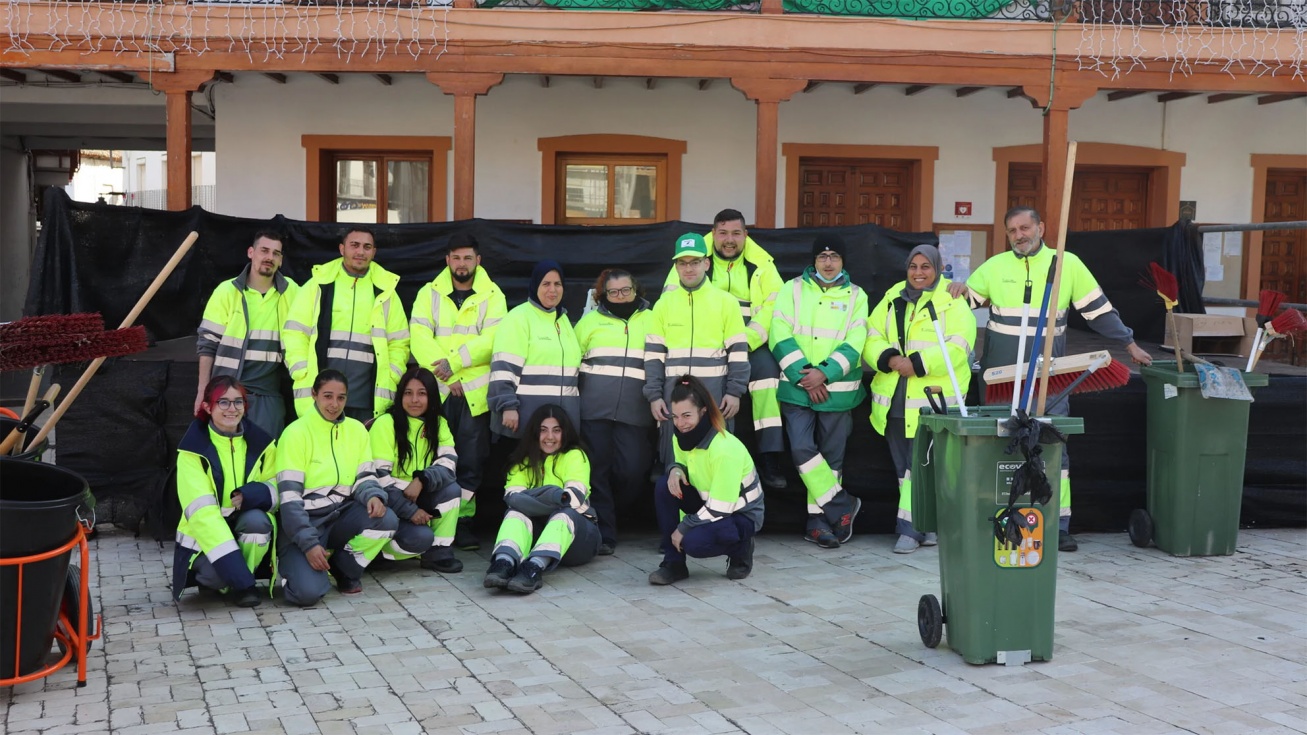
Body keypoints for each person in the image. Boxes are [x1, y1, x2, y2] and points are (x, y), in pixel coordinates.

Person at [947, 206, 1153, 552]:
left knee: (1053, 449)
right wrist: (953, 289)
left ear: (1040, 228)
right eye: (1012, 230)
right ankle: (1001, 518)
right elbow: (964, 302)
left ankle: (1056, 524)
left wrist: (1128, 343)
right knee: (1000, 447)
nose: (1019, 235)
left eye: (1025, 228)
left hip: (1048, 377)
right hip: (1001, 379)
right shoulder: (995, 267)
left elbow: (1099, 311)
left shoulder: (1066, 264)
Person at [665, 209, 788, 488]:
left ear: (746, 235)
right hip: (705, 343)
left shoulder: (763, 265)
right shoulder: (693, 258)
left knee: (768, 376)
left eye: (735, 233)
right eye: (722, 233)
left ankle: (769, 456)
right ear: (713, 235)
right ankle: (670, 456)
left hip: (750, 342)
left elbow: (774, 308)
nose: (729, 240)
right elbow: (671, 298)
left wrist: (743, 341)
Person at [868, 244, 976, 554]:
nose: (918, 272)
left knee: (919, 468)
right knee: (906, 469)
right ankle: (927, 526)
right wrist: (889, 359)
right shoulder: (892, 297)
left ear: (939, 268)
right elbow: (872, 334)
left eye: (925, 266)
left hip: (933, 402)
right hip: (894, 400)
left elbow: (959, 347)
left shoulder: (953, 301)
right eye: (913, 266)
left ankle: (910, 530)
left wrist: (915, 363)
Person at [770, 234, 869, 549]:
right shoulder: (792, 289)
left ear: (843, 261)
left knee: (831, 460)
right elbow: (778, 332)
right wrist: (806, 377)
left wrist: (823, 374)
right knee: (801, 450)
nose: (828, 263)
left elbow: (856, 342)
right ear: (813, 261)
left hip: (837, 391)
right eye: (822, 257)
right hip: (797, 390)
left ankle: (819, 524)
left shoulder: (857, 296)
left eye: (834, 256)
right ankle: (842, 506)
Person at [410, 233, 507, 551]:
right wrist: (444, 377)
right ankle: (431, 519)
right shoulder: (429, 294)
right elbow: (419, 337)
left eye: (468, 257)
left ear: (478, 260)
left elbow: (493, 341)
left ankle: (462, 522)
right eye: (456, 257)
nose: (461, 263)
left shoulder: (493, 295)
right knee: (432, 456)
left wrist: (454, 366)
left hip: (472, 394)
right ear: (447, 260)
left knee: (471, 461)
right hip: (437, 392)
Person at [275, 370, 399, 606]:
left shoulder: (357, 430)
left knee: (387, 519)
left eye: (341, 398)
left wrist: (373, 495)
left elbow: (365, 475)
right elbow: (289, 501)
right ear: (314, 395)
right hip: (305, 521)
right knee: (307, 594)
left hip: (341, 515)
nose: (334, 404)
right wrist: (309, 544)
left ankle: (344, 568)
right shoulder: (295, 433)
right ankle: (295, 567)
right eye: (328, 396)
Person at [645, 233, 750, 472]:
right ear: (676, 266)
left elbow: (738, 353)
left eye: (694, 262)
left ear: (706, 263)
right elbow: (653, 356)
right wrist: (654, 396)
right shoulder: (663, 304)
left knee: (716, 464)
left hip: (715, 397)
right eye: (682, 263)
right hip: (673, 397)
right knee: (675, 468)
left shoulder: (726, 302)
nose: (688, 268)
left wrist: (735, 392)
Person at [283, 227, 410, 423]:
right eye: (354, 245)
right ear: (342, 249)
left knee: (362, 453)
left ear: (374, 252)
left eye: (367, 247)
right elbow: (295, 332)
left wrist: (392, 374)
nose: (360, 252)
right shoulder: (318, 285)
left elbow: (399, 342)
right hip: (323, 397)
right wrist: (301, 370)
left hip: (368, 399)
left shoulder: (386, 291)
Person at [172, 376, 278, 608]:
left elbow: (275, 487)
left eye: (238, 402)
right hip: (204, 537)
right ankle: (240, 582)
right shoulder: (191, 451)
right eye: (223, 402)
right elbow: (203, 516)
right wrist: (241, 578)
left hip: (242, 524)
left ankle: (240, 582)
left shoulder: (263, 444)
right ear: (208, 407)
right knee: (214, 576)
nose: (232, 409)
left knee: (258, 522)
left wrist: (250, 495)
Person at [647, 375, 764, 586]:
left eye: (686, 416)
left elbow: (722, 507)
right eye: (675, 416)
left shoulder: (724, 449)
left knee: (693, 543)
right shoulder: (681, 436)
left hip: (739, 515)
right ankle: (674, 564)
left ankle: (741, 547)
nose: (680, 424)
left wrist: (683, 527)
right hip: (710, 504)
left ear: (703, 412)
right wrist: (675, 469)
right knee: (664, 485)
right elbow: (681, 461)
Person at [574, 268, 655, 555]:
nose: (620, 296)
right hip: (593, 413)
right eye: (613, 292)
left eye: (626, 290)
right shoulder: (589, 323)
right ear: (603, 295)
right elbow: (571, 363)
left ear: (636, 290)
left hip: (636, 414)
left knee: (632, 471)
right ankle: (606, 534)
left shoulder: (652, 319)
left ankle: (618, 516)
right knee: (597, 473)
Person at [482, 404, 599, 595]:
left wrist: (534, 499)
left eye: (556, 430)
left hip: (579, 538)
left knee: (564, 514)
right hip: (538, 536)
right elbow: (512, 498)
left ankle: (533, 569)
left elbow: (572, 500)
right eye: (543, 430)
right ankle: (504, 563)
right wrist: (554, 495)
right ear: (534, 433)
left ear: (565, 432)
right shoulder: (523, 461)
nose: (550, 437)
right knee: (514, 513)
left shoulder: (575, 456)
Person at [195, 230, 299, 437]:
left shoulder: (293, 292)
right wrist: (202, 392)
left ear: (281, 260)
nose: (269, 257)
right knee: (227, 458)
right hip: (226, 393)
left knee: (266, 461)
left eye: (276, 253)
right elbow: (207, 345)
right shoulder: (226, 291)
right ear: (251, 252)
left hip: (268, 395)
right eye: (264, 250)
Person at [368, 367, 464, 573]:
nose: (414, 400)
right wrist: (410, 511)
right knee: (421, 538)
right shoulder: (386, 423)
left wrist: (422, 479)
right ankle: (375, 553)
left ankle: (438, 553)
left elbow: (449, 464)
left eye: (422, 393)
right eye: (408, 393)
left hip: (419, 493)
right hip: (389, 501)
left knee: (452, 490)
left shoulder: (439, 423)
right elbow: (379, 477)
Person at [488, 260, 582, 439]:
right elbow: (502, 369)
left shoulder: (563, 321)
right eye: (546, 284)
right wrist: (507, 406)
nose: (552, 290)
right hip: (523, 422)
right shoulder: (518, 318)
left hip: (558, 426)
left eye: (557, 284)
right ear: (535, 285)